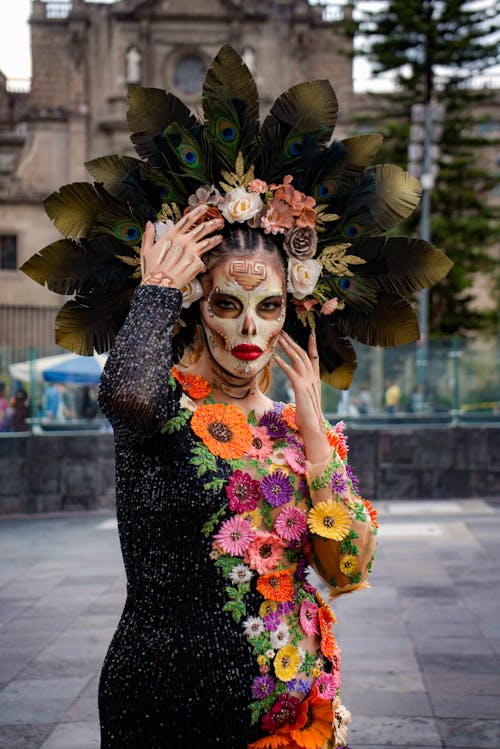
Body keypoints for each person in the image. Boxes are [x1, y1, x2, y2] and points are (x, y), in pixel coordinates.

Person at [21, 45, 452, 749]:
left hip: (294, 720)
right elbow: (125, 393)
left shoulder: (294, 430)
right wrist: (158, 288)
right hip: (165, 710)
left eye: (270, 306)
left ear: (293, 309)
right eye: (228, 302)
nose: (250, 327)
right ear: (199, 305)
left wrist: (314, 430)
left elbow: (351, 568)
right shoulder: (160, 413)